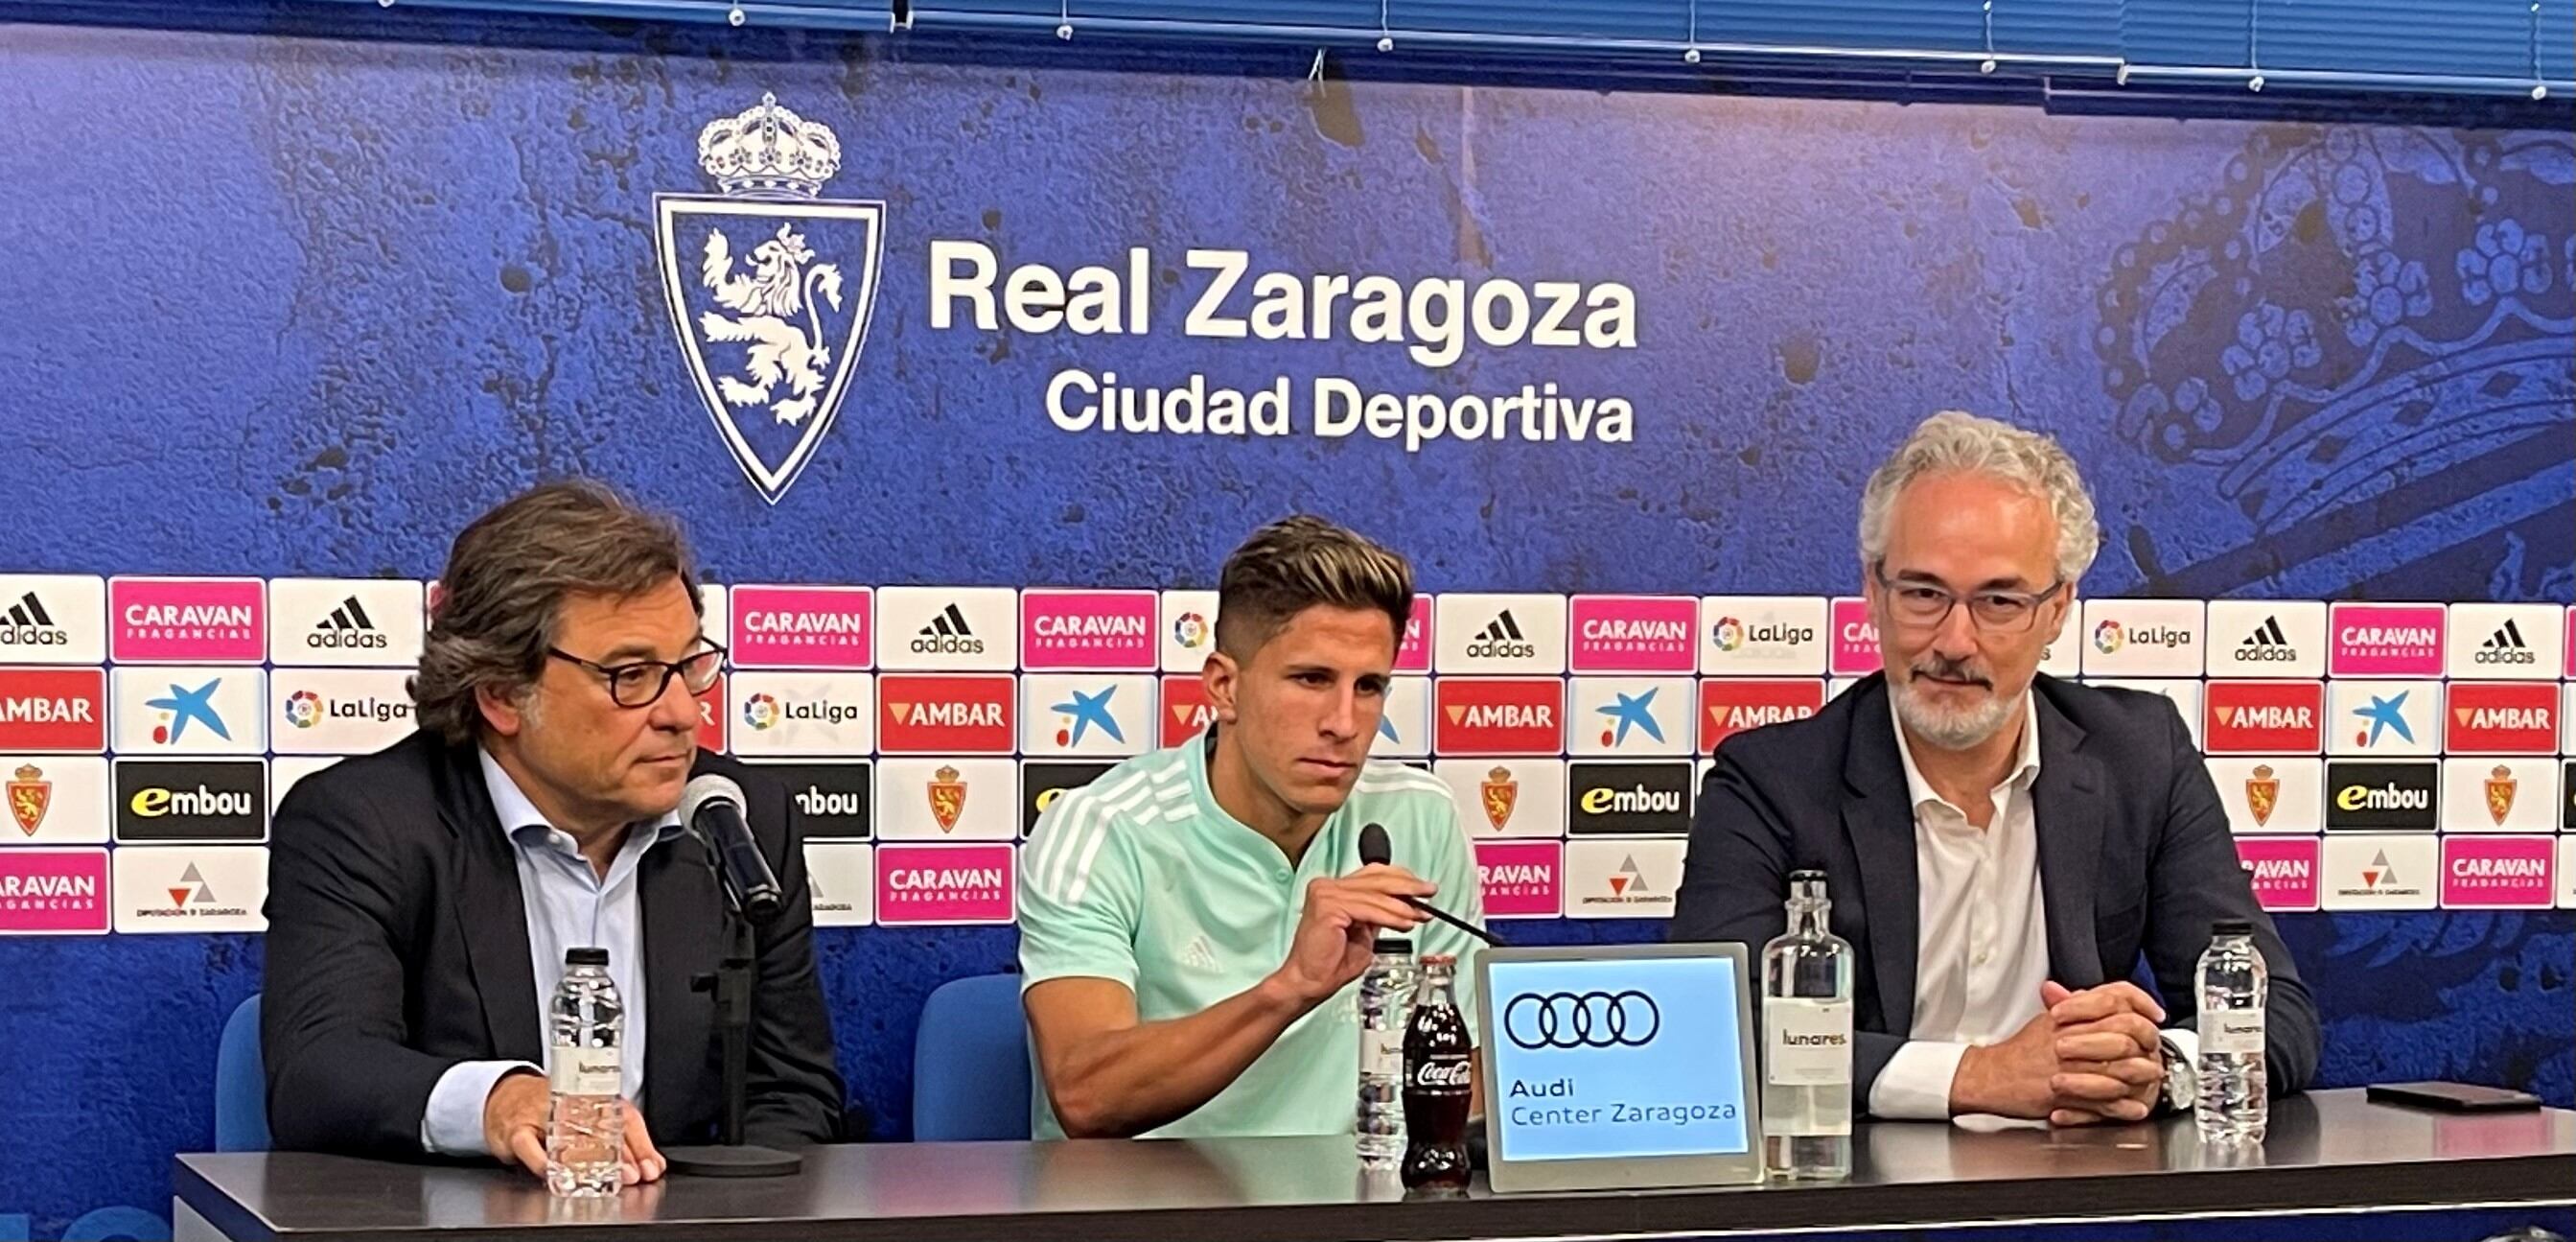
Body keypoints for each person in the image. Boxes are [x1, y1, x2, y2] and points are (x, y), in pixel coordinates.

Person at [1672, 411, 2318, 1125]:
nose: (1954, 639)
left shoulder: (2140, 754)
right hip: (1853, 1205)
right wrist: (1977, 1075)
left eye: (1999, 601)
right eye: (1922, 592)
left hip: (2075, 1198)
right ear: (1871, 593)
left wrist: (2153, 1071)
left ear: (2058, 608)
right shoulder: (1770, 781)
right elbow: (1719, 1029)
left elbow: (2275, 1013)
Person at [263, 481, 845, 1181]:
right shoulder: (366, 822)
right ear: (503, 692)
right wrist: (500, 1101)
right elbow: (319, 1069)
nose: (683, 713)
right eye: (631, 675)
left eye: (689, 666)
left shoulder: (739, 816)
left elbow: (792, 1092)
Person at [1016, 515, 1486, 1138]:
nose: (1344, 722)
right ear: (1224, 686)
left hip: (1361, 1220)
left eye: (1368, 686)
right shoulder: (1102, 828)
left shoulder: (1419, 814)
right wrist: (1290, 986)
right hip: (1145, 1222)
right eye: (1311, 679)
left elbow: (1466, 1080)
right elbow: (1087, 1094)